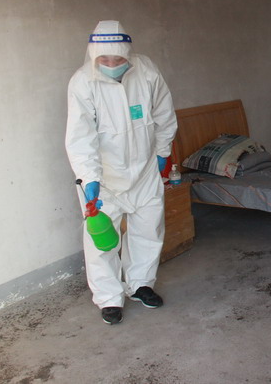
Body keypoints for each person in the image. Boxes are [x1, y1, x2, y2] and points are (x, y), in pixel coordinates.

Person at [65, 20, 177, 325]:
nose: (112, 65)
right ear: (94, 56)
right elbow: (80, 137)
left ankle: (141, 284)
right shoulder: (82, 83)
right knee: (102, 241)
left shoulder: (146, 71)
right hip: (105, 178)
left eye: (118, 59)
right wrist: (90, 179)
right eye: (105, 59)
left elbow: (164, 112)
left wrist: (163, 152)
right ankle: (109, 298)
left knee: (148, 229)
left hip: (144, 170)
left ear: (128, 54)